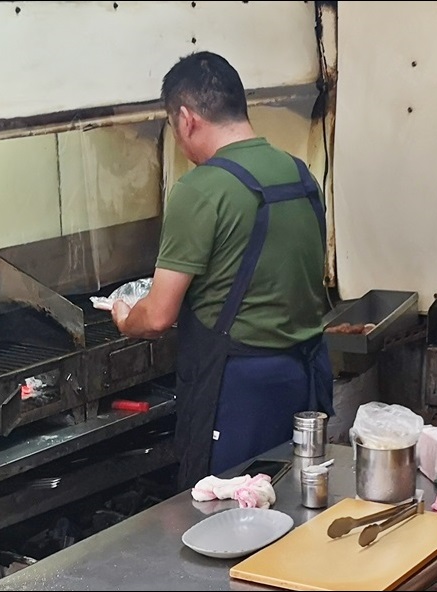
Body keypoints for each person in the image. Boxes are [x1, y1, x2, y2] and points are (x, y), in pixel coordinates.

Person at [111, 51, 334, 489]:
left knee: (227, 520)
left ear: (186, 118)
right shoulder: (300, 175)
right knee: (293, 507)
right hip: (306, 380)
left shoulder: (200, 189)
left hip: (240, 392)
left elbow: (157, 316)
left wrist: (124, 315)